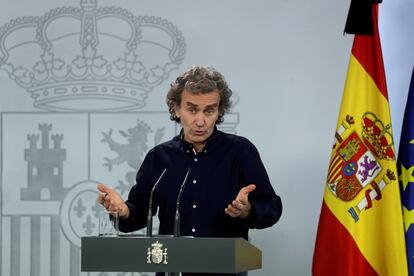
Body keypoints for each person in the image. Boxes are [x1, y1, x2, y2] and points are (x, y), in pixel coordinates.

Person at [97, 65, 282, 276]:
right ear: (176, 108)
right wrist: (123, 211)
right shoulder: (159, 157)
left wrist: (248, 209)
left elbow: (272, 208)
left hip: (225, 270)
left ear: (219, 111)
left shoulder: (240, 151)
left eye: (209, 110)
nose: (200, 121)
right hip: (171, 271)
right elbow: (139, 213)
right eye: (192, 109)